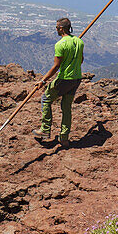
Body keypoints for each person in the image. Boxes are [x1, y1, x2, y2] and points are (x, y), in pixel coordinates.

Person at [35, 17, 84, 148]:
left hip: (64, 79)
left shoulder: (60, 44)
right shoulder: (79, 42)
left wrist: (43, 80)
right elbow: (81, 60)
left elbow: (56, 66)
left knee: (46, 98)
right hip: (77, 79)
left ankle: (45, 130)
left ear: (61, 29)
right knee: (66, 108)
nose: (56, 30)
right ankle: (64, 138)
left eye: (57, 28)